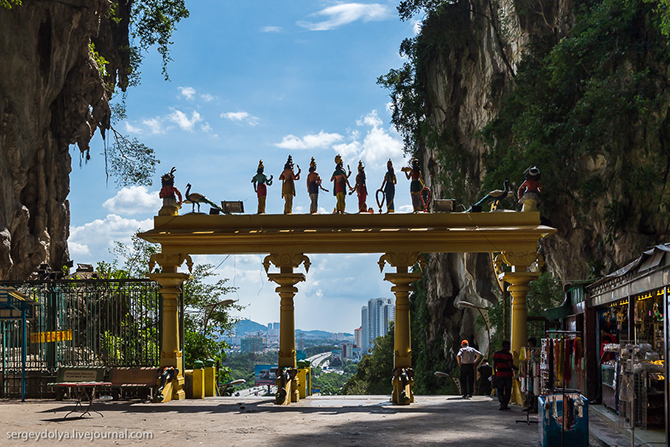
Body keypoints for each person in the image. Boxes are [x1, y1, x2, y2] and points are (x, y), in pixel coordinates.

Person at [493, 340, 515, 410]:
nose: (509, 347)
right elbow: (510, 365)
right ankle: (505, 404)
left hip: (499, 374)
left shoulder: (496, 354)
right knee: (508, 390)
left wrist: (495, 373)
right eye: (508, 346)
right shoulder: (508, 355)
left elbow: (494, 365)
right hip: (508, 374)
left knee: (500, 390)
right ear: (505, 346)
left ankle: (502, 403)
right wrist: (517, 368)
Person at [522, 337, 538, 413]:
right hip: (531, 372)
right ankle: (530, 404)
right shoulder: (529, 351)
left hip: (534, 372)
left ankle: (534, 405)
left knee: (534, 389)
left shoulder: (535, 351)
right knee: (530, 389)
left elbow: (534, 362)